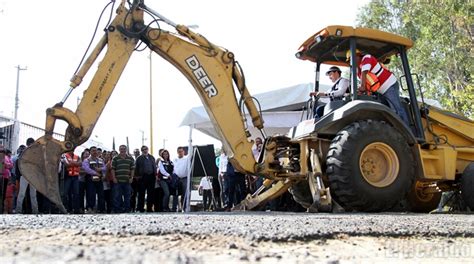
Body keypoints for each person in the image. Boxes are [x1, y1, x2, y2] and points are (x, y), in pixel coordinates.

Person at [347, 49, 410, 126]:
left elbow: (365, 72)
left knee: (396, 109)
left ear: (358, 56)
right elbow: (368, 84)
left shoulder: (367, 58)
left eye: (351, 59)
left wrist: (362, 86)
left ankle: (405, 129)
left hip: (389, 85)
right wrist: (361, 91)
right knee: (386, 112)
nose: (351, 62)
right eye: (349, 61)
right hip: (380, 91)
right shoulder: (359, 71)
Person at [15, 138, 39, 214]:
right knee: (23, 194)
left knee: (32, 194)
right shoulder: (24, 152)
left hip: (30, 175)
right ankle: (18, 210)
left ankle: (35, 211)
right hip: (26, 175)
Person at [111, 145, 135, 213]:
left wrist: (131, 178)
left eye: (124, 149)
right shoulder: (115, 158)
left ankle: (127, 209)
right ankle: (117, 210)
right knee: (117, 196)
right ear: (119, 149)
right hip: (118, 180)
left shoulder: (130, 158)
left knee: (127, 196)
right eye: (121, 149)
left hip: (127, 180)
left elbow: (132, 169)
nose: (123, 150)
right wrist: (114, 178)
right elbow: (113, 169)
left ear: (126, 149)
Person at [82, 146, 106, 213]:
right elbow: (86, 169)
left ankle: (101, 209)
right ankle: (90, 208)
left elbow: (104, 168)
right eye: (93, 151)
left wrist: (101, 171)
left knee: (101, 194)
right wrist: (95, 173)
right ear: (90, 152)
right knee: (90, 194)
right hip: (90, 179)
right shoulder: (86, 160)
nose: (95, 152)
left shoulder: (101, 160)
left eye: (95, 150)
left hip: (100, 179)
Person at [134, 145, 157, 212]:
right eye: (143, 149)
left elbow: (154, 167)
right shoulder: (139, 158)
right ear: (141, 151)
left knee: (151, 193)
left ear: (148, 149)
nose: (145, 150)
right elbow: (136, 168)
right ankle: (140, 208)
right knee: (141, 193)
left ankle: (149, 208)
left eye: (146, 149)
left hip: (151, 177)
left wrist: (155, 175)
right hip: (142, 177)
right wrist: (137, 176)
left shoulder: (152, 157)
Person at [173, 146, 189, 212]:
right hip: (176, 178)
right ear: (177, 152)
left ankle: (184, 208)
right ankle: (175, 208)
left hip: (184, 178)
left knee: (184, 193)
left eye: (181, 151)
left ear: (184, 152)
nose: (180, 153)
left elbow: (191, 154)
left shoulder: (186, 159)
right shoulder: (174, 159)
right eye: (179, 152)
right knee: (175, 193)